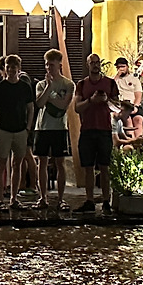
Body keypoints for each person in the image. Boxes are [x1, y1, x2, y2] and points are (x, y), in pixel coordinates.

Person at [0, 54, 34, 212]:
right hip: (4, 129)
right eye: (8, 67)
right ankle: (0, 199)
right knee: (1, 163)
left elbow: (30, 108)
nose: (11, 70)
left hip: (20, 129)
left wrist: (28, 127)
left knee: (18, 163)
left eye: (14, 67)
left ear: (18, 69)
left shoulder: (25, 87)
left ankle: (14, 197)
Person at [74, 52, 117, 213]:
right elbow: (77, 108)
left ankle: (106, 201)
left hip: (104, 130)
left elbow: (117, 106)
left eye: (97, 62)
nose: (95, 65)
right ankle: (89, 200)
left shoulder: (110, 83)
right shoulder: (82, 84)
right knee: (88, 168)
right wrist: (91, 101)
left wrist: (106, 100)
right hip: (87, 129)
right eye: (92, 63)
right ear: (87, 65)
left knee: (105, 167)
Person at [33, 48, 74, 210]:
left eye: (51, 65)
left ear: (59, 65)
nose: (48, 68)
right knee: (41, 162)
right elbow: (39, 103)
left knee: (60, 163)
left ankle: (61, 198)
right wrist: (48, 88)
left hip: (59, 128)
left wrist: (49, 99)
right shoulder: (41, 84)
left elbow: (63, 105)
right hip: (42, 127)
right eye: (46, 65)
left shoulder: (68, 84)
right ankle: (43, 197)